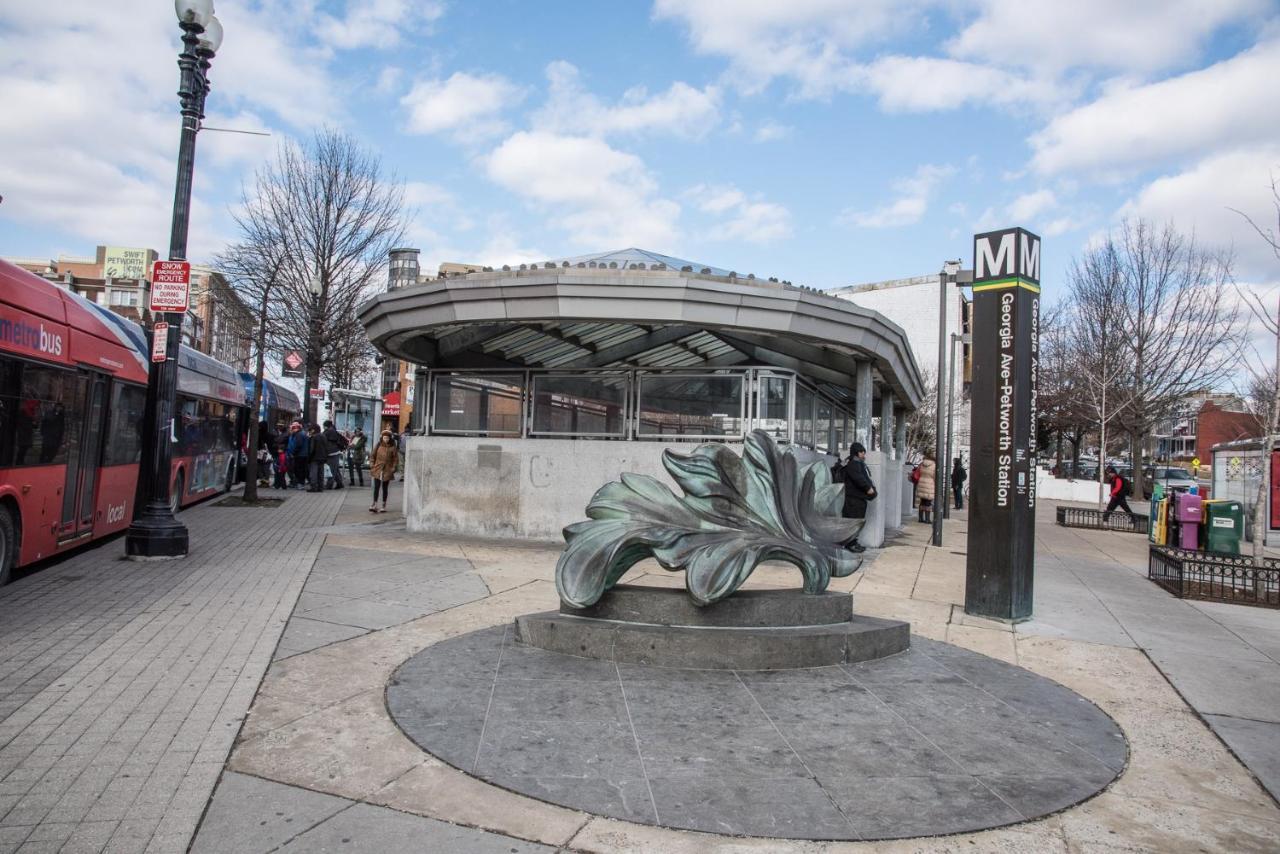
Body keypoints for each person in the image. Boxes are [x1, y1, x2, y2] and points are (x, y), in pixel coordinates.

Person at [839, 442, 877, 553]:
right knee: (853, 521)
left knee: (856, 521)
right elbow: (858, 478)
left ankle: (853, 542)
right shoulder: (853, 464)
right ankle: (850, 544)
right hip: (853, 499)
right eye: (861, 452)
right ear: (856, 452)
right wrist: (868, 488)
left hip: (856, 498)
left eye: (863, 452)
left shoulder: (855, 463)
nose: (863, 454)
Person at [369, 429, 399, 513]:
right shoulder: (378, 445)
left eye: (387, 438)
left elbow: (396, 459)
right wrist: (372, 464)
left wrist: (393, 468)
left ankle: (383, 505)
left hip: (387, 470)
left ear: (390, 438)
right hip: (378, 468)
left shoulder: (393, 447)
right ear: (382, 438)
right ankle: (374, 504)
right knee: (376, 487)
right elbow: (372, 455)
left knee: (385, 488)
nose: (386, 439)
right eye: (384, 438)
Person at [321, 420, 347, 489]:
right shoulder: (333, 430)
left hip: (331, 453)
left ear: (325, 426)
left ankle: (329, 485)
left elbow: (323, 441)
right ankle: (340, 484)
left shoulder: (328, 431)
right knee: (335, 469)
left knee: (331, 470)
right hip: (335, 452)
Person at [305, 424, 330, 493]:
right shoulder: (323, 436)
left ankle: (313, 487)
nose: (309, 432)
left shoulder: (314, 437)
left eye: (310, 430)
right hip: (322, 458)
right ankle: (320, 487)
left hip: (315, 458)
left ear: (313, 430)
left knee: (314, 473)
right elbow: (326, 447)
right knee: (320, 473)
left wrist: (309, 458)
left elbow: (312, 449)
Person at [286, 421, 309, 489]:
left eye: (292, 428)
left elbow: (298, 445)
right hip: (300, 455)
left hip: (300, 455)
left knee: (299, 469)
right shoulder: (298, 434)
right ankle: (298, 482)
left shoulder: (299, 435)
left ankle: (300, 483)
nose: (291, 430)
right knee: (298, 469)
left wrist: (293, 453)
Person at [916, 452, 937, 524]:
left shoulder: (921, 464)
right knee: (928, 502)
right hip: (930, 484)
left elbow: (918, 473)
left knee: (922, 502)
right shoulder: (934, 465)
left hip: (921, 483)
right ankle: (927, 519)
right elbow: (935, 476)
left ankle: (920, 518)